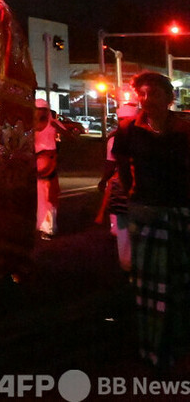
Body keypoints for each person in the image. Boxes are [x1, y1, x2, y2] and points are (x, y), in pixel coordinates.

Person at [112, 71, 190, 371]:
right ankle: (154, 348)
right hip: (145, 213)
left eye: (153, 94)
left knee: (179, 283)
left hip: (181, 212)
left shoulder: (184, 130)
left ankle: (179, 346)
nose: (146, 100)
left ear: (169, 98)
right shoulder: (128, 131)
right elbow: (121, 168)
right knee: (150, 290)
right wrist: (132, 200)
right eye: (142, 94)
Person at [95, 102, 139, 271]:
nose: (124, 122)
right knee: (123, 227)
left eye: (127, 119)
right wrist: (104, 179)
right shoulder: (115, 138)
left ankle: (131, 264)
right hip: (124, 186)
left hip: (141, 188)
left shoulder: (143, 136)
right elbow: (110, 163)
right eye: (122, 119)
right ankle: (128, 264)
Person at [34, 98, 72, 239]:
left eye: (43, 109)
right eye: (38, 109)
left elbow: (69, 135)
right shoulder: (30, 125)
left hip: (48, 163)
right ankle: (40, 225)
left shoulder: (53, 123)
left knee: (49, 196)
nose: (40, 112)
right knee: (38, 196)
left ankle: (48, 228)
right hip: (34, 163)